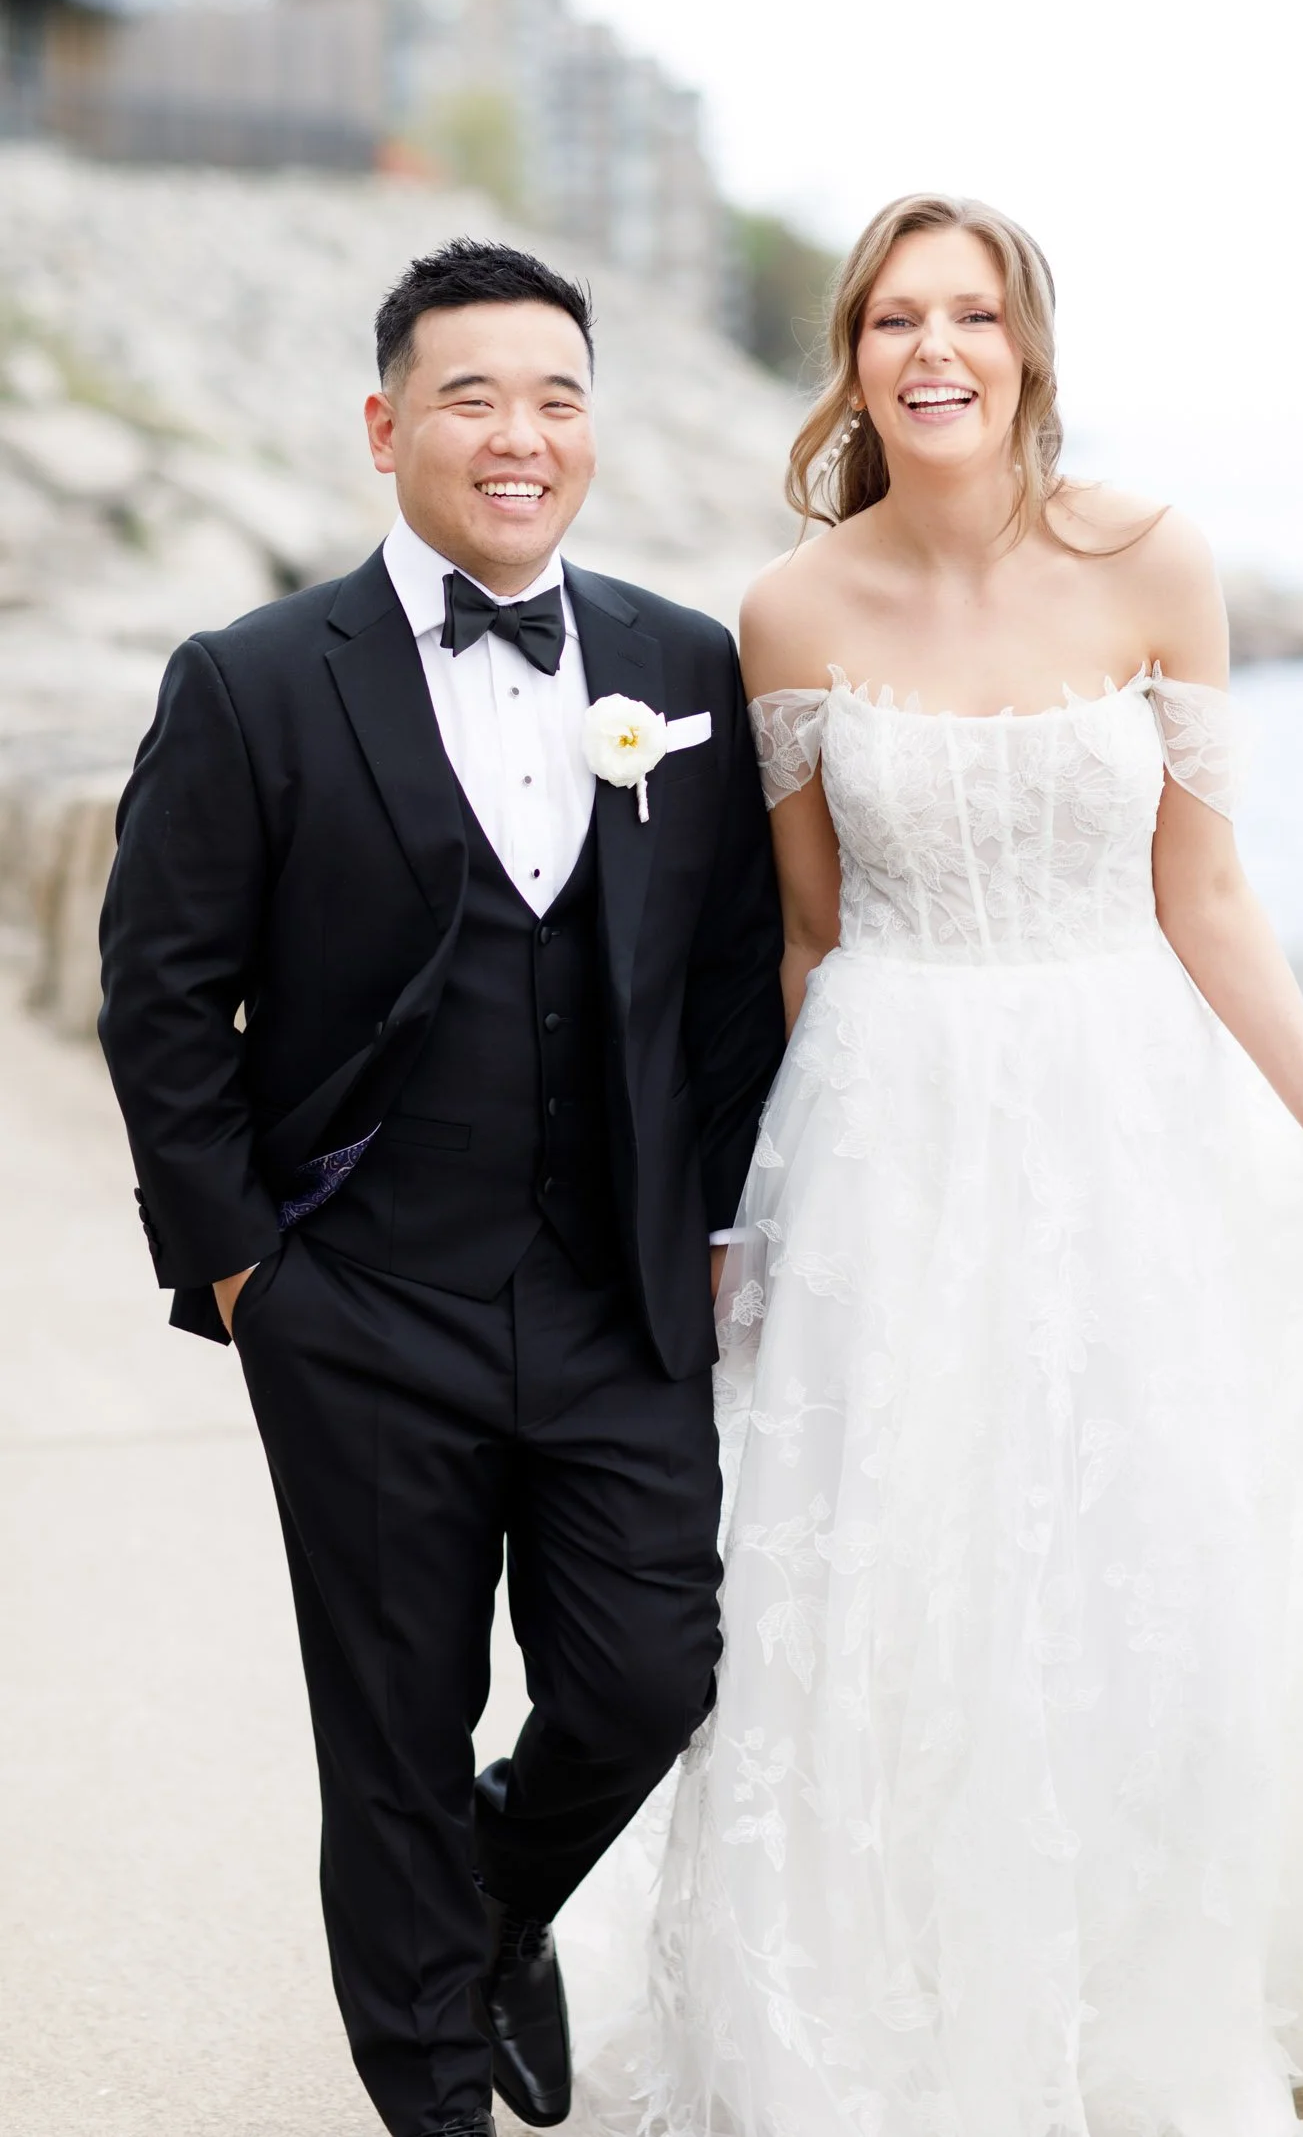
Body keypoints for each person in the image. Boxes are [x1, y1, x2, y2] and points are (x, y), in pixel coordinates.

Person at [573, 195, 1303, 2136]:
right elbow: (806, 933)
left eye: (968, 312)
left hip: (1118, 1116)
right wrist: (753, 1193)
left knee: (1124, 1573)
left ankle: (1114, 2027)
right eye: (892, 315)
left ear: (1026, 345)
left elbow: (1207, 886)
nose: (931, 347)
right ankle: (864, 2035)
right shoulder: (791, 609)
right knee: (878, 1584)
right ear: (850, 359)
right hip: (886, 1123)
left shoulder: (1154, 557)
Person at [97, 240, 784, 2137]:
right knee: (389, 1740)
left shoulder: (677, 664)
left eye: (556, 397)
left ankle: (493, 1899)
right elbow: (159, 1002)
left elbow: (728, 980)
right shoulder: (248, 682)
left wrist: (714, 1225)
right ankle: (432, 2102)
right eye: (472, 397)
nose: (519, 436)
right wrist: (250, 1280)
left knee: (651, 1675)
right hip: (356, 1306)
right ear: (386, 425)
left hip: (618, 1300)